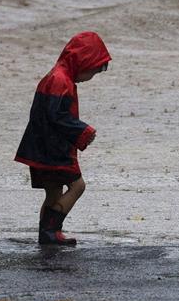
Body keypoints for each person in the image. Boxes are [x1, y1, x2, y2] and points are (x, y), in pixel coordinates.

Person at [15, 31, 111, 245]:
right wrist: (83, 132)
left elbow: (49, 115)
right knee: (78, 186)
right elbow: (56, 115)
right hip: (53, 150)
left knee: (53, 192)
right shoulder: (60, 80)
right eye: (92, 71)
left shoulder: (57, 76)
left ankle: (47, 235)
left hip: (41, 147)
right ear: (83, 62)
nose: (90, 77)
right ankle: (51, 230)